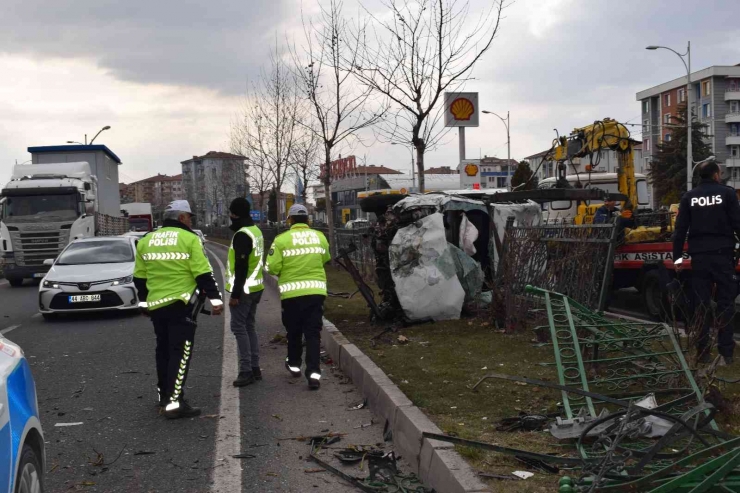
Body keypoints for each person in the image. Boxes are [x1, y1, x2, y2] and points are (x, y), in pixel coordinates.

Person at [133, 200, 224, 419]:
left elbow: (139, 278)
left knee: (162, 351)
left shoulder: (147, 240)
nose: (191, 221)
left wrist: (144, 303)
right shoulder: (189, 239)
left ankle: (164, 396)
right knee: (180, 354)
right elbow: (203, 273)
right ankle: (175, 404)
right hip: (181, 305)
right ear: (182, 218)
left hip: (157, 306)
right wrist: (215, 299)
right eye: (189, 217)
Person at [673, 161, 740, 365]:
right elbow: (738, 224)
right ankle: (726, 352)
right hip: (722, 255)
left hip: (699, 257)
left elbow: (680, 230)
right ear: (716, 175)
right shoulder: (727, 194)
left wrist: (677, 258)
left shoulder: (689, 197)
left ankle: (703, 352)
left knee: (700, 304)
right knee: (726, 304)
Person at [266, 204, 331, 390]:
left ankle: (294, 365)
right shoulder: (319, 236)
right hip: (316, 293)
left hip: (292, 295)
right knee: (313, 333)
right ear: (308, 220)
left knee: (294, 332)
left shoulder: (281, 240)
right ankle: (313, 375)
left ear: (290, 220)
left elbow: (272, 267)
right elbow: (325, 258)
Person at [225, 198, 264, 387]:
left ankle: (246, 370)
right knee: (249, 327)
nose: (230, 216)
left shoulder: (242, 235)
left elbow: (241, 266)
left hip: (244, 290)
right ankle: (255, 368)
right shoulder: (255, 230)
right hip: (255, 288)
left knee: (239, 328)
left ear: (235, 214)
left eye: (231, 213)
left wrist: (235, 294)